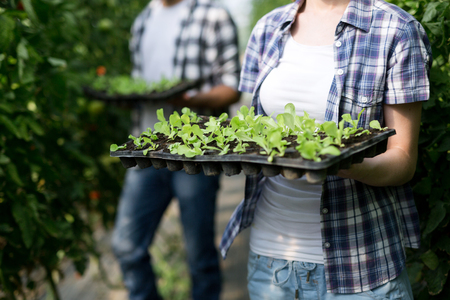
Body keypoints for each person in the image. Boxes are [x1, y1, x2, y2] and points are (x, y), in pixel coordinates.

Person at [220, 0, 431, 299]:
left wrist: (343, 164)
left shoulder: (395, 28)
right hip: (271, 264)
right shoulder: (268, 27)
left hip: (361, 265)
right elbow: (254, 131)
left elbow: (403, 159)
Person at [111, 0, 240, 299]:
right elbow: (138, 81)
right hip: (146, 151)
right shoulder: (143, 18)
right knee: (126, 245)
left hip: (194, 154)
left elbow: (232, 88)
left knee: (199, 256)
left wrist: (189, 100)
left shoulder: (213, 15)